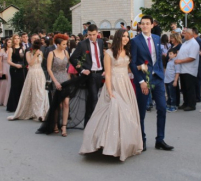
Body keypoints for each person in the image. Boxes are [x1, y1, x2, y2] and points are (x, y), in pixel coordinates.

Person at [80, 29, 143, 160]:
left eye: (127, 37)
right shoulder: (108, 53)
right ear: (118, 38)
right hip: (113, 84)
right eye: (123, 36)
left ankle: (122, 145)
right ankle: (104, 144)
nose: (126, 39)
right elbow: (108, 74)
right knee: (112, 112)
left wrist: (142, 67)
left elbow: (128, 68)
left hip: (125, 85)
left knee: (127, 114)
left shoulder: (128, 52)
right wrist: (109, 91)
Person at [130, 15, 173, 151]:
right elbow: (133, 63)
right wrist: (141, 81)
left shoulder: (156, 38)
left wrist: (161, 73)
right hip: (144, 80)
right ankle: (141, 140)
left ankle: (160, 140)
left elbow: (158, 58)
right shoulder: (135, 41)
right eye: (142, 24)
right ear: (140, 26)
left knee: (162, 108)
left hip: (158, 78)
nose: (145, 26)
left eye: (147, 23)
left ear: (152, 25)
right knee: (141, 111)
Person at [69, 24, 105, 127]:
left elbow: (101, 57)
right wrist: (81, 69)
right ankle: (93, 123)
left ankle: (88, 123)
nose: (92, 37)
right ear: (87, 34)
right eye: (89, 35)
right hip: (89, 75)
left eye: (94, 34)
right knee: (94, 97)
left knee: (92, 98)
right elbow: (73, 58)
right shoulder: (82, 44)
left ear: (97, 33)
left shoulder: (101, 42)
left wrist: (105, 69)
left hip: (99, 74)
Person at [8, 39, 49, 122]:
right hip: (32, 73)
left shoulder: (40, 52)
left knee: (42, 92)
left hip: (40, 73)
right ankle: (34, 112)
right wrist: (35, 55)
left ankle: (42, 112)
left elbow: (41, 63)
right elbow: (30, 63)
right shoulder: (28, 53)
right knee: (33, 92)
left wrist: (38, 54)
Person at [45, 35, 72, 135]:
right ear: (58, 44)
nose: (66, 46)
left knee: (66, 103)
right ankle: (55, 124)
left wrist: (69, 77)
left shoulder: (66, 52)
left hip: (65, 78)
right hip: (55, 78)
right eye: (64, 44)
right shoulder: (51, 53)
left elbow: (70, 65)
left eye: (66, 44)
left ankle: (64, 126)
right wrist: (55, 82)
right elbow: (49, 69)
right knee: (57, 104)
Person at [174, 28, 200, 111]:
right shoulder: (185, 42)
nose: (183, 34)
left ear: (190, 34)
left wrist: (180, 60)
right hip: (183, 69)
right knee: (184, 88)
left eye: (185, 33)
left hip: (189, 69)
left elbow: (192, 57)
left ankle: (191, 104)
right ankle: (185, 103)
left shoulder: (194, 43)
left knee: (190, 87)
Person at [6, 35, 26, 112]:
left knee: (21, 86)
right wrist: (15, 65)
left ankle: (20, 106)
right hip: (14, 69)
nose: (17, 40)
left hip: (22, 68)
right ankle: (12, 106)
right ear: (13, 40)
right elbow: (8, 61)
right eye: (15, 39)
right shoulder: (11, 49)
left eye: (18, 38)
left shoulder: (23, 48)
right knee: (14, 86)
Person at [0, 38, 12, 107]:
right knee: (4, 83)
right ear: (6, 43)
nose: (10, 43)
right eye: (8, 42)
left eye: (11, 42)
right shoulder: (2, 50)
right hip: (4, 67)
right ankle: (2, 100)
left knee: (10, 83)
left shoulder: (12, 49)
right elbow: (0, 61)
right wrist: (1, 70)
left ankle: (8, 100)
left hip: (11, 67)